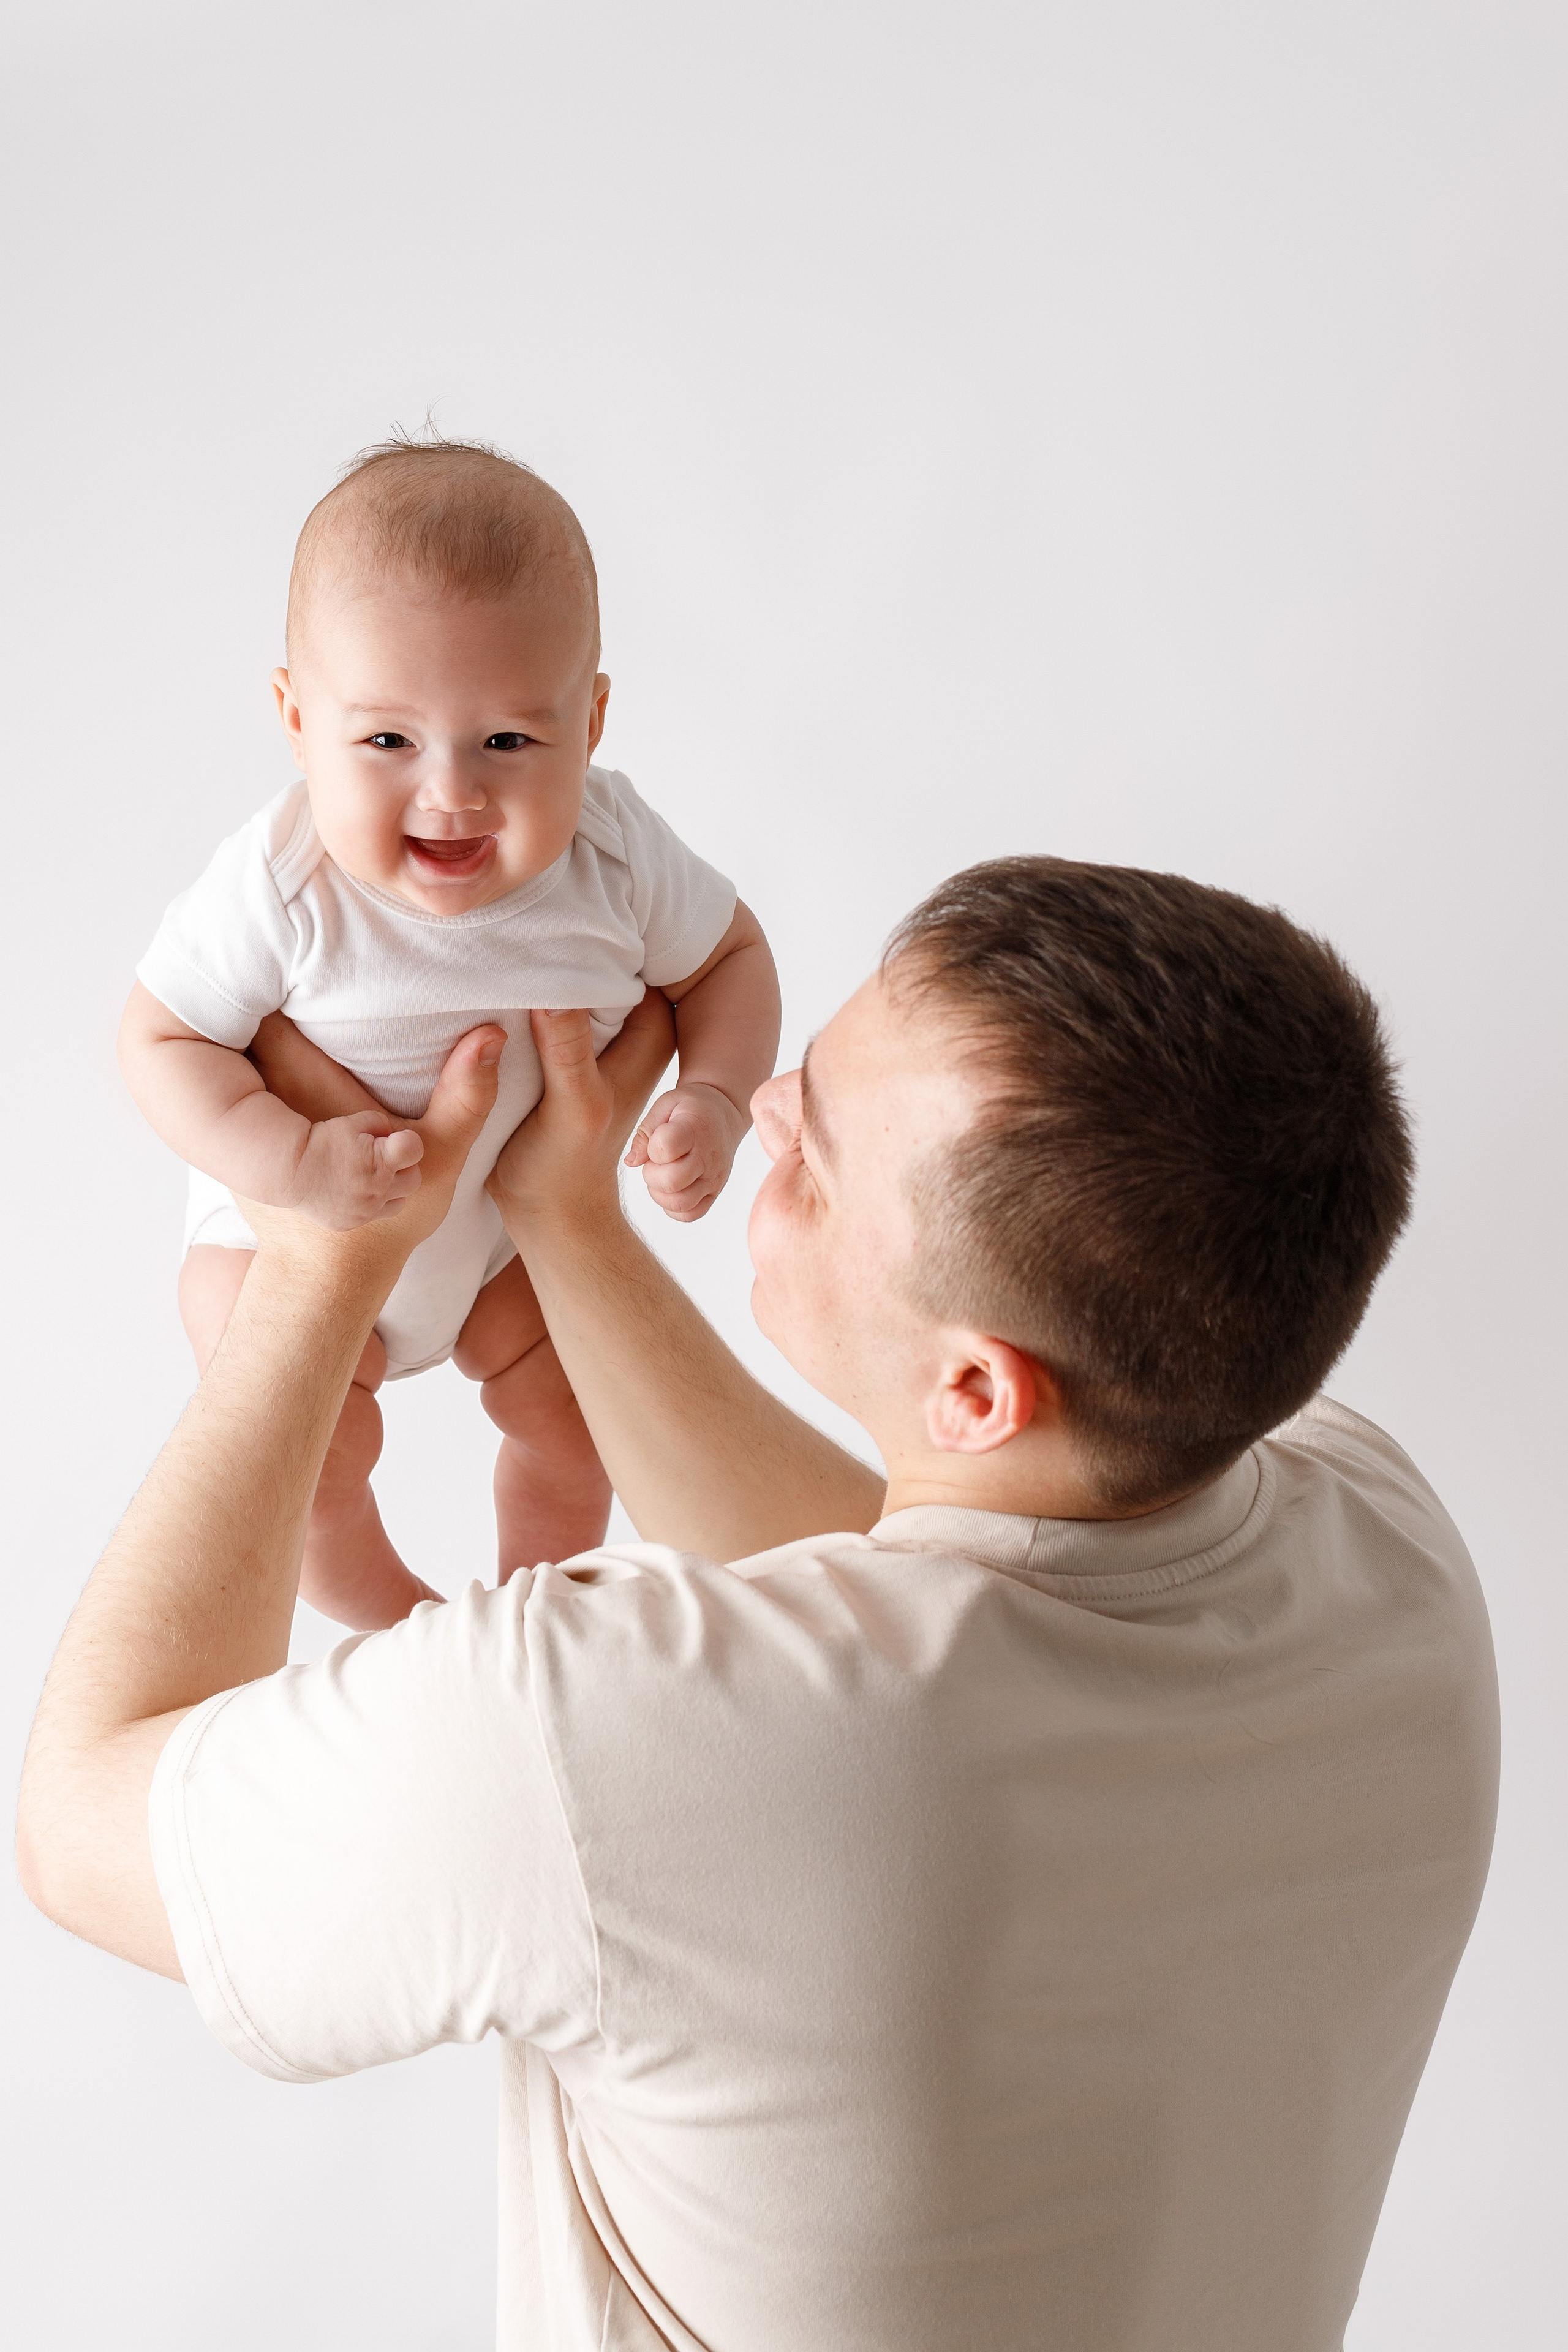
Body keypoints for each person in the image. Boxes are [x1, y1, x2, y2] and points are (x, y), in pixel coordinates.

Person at [19, 858, 1498, 2352]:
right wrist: (563, 1225)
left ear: (974, 1390)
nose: (769, 1101)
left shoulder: (600, 1738)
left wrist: (316, 1265)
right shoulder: (1386, 1547)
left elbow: (82, 1823)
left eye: (821, 1151)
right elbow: (920, 1588)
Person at [116, 434, 780, 1627]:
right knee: (296, 1471)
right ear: (294, 715)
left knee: (582, 1421)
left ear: (591, 717)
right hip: (287, 1248)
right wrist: (289, 1161)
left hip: (500, 1254)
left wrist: (717, 1098)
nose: (451, 793)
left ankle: (541, 1605)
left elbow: (729, 960)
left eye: (510, 742)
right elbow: (160, 1041)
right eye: (385, 742)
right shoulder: (280, 885)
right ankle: (399, 1625)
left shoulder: (615, 857)